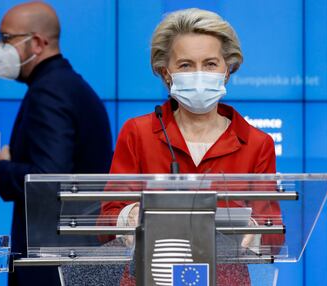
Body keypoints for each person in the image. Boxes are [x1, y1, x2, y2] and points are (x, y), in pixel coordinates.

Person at [101, 8, 284, 285]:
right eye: (186, 65)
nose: (199, 74)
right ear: (166, 73)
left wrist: (250, 230)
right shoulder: (137, 133)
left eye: (210, 64)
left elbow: (274, 237)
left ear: (227, 69)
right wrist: (130, 217)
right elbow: (104, 224)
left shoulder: (257, 144)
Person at [0, 2, 113, 285]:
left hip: (54, 262)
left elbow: (48, 181)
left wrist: (2, 166)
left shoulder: (51, 91)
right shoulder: (67, 85)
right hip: (68, 257)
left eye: (5, 39)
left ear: (38, 43)